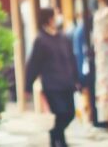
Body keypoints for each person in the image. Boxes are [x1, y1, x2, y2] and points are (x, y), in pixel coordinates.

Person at [25, 8, 79, 147]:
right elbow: (34, 64)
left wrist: (77, 79)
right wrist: (28, 86)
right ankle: (60, 141)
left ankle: (55, 134)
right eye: (56, 15)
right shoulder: (41, 40)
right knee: (61, 112)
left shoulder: (64, 37)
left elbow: (72, 59)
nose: (58, 17)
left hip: (67, 83)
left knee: (70, 114)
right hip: (52, 85)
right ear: (49, 19)